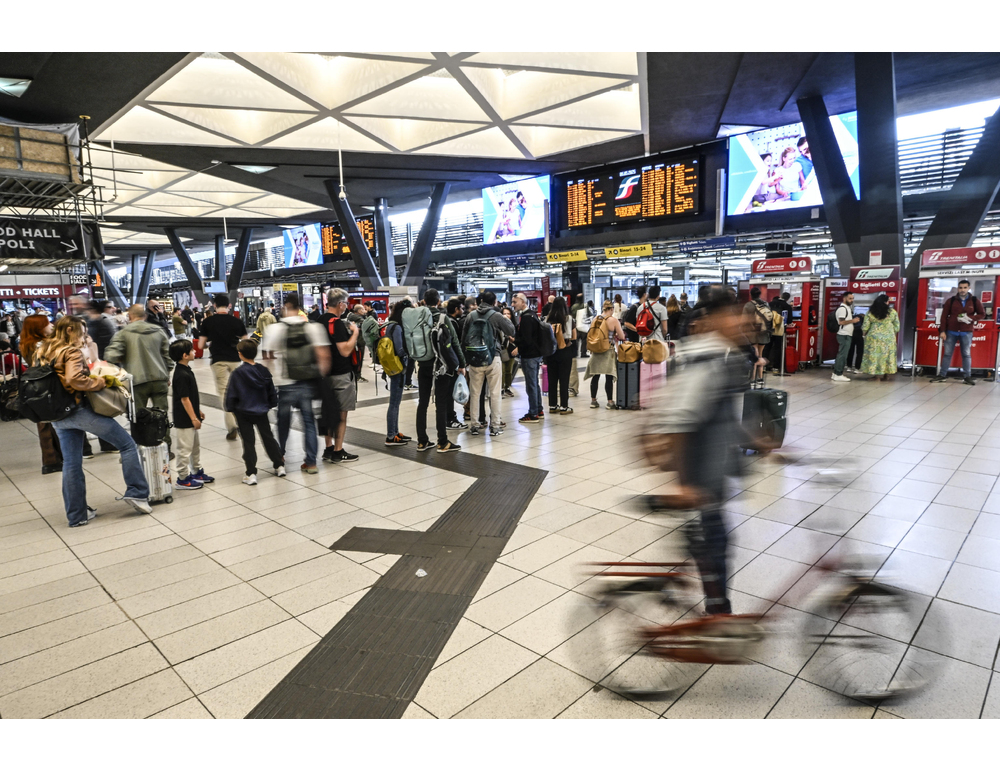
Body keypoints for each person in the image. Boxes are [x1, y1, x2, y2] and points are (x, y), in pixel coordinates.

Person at [644, 286, 774, 615]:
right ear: (713, 319)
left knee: (713, 541)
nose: (740, 323)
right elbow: (679, 420)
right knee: (714, 542)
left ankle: (714, 607)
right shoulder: (709, 358)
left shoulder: (720, 356)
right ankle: (717, 614)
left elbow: (721, 416)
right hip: (699, 478)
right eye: (732, 316)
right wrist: (684, 484)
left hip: (709, 476)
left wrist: (757, 442)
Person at [39, 316, 152, 526]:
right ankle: (137, 493)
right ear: (71, 330)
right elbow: (74, 379)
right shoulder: (70, 351)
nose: (84, 336)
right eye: (82, 331)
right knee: (127, 444)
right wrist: (99, 382)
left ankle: (77, 515)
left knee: (71, 463)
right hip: (77, 410)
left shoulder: (44, 350)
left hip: (57, 415)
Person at [260, 292, 330, 475]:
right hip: (307, 381)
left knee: (283, 422)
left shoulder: (275, 329)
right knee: (308, 421)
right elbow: (324, 356)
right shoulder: (313, 328)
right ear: (299, 308)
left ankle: (280, 458)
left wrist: (272, 376)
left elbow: (267, 356)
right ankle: (311, 462)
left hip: (285, 383)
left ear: (285, 307)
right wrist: (320, 377)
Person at [104, 304, 175, 454]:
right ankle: (165, 446)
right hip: (159, 379)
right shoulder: (159, 331)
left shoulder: (123, 334)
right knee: (162, 414)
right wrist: (167, 373)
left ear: (129, 317)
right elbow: (168, 357)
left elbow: (110, 356)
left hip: (136, 382)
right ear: (145, 316)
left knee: (138, 416)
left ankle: (142, 447)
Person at [225, 340, 285, 486]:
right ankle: (279, 465)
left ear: (240, 354)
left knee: (248, 442)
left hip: (243, 412)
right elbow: (271, 391)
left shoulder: (237, 373)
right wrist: (270, 404)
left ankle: (251, 473)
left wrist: (230, 408)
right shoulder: (263, 371)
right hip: (261, 411)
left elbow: (231, 394)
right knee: (268, 437)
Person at [415, 289, 465, 453]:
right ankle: (442, 442)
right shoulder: (442, 317)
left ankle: (422, 441)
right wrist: (461, 364)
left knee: (422, 403)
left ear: (423, 300)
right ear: (438, 301)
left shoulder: (417, 316)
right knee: (441, 404)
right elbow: (454, 341)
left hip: (423, 364)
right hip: (440, 365)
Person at [463, 291, 515, 436]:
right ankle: (495, 426)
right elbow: (511, 331)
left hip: (474, 359)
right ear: (494, 302)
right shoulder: (496, 316)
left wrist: (466, 359)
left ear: (479, 302)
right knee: (495, 393)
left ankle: (474, 425)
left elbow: (464, 338)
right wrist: (506, 319)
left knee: (475, 393)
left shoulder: (470, 316)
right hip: (493, 357)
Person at [318, 288, 359, 463]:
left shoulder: (318, 321)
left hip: (323, 375)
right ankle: (338, 450)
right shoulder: (338, 323)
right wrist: (355, 334)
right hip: (341, 374)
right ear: (341, 304)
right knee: (341, 414)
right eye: (346, 303)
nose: (346, 307)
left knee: (327, 412)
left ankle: (328, 448)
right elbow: (345, 351)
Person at [199, 293, 248, 440]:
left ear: (214, 306)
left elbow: (201, 345)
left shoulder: (208, 322)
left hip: (218, 360)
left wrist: (210, 344)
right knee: (239, 391)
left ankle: (232, 425)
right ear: (228, 306)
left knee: (224, 393)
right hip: (235, 360)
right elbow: (246, 342)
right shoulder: (236, 321)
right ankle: (242, 420)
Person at [169, 339, 213, 489]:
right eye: (192, 351)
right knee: (185, 449)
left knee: (195, 447)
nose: (195, 352)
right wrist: (193, 417)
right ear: (184, 355)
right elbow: (184, 399)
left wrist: (198, 411)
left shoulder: (186, 370)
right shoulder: (181, 374)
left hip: (190, 414)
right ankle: (182, 478)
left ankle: (197, 471)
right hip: (184, 418)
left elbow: (191, 397)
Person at [931, 279, 985, 385]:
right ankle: (942, 375)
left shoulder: (974, 300)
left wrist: (970, 318)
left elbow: (982, 314)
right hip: (951, 331)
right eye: (960, 288)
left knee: (966, 354)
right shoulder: (951, 300)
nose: (962, 290)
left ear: (969, 288)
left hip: (966, 332)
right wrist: (942, 331)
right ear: (958, 288)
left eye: (965, 288)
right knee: (947, 354)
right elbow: (944, 317)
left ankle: (967, 376)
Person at [382, 299, 412, 448]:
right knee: (394, 403)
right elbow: (399, 350)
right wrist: (409, 353)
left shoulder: (390, 325)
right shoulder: (398, 328)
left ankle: (395, 432)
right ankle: (390, 436)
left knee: (396, 402)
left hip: (392, 367)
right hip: (398, 368)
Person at [586, 300, 625, 409]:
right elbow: (621, 336)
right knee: (609, 376)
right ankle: (610, 401)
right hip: (608, 351)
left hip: (596, 351)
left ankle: (593, 401)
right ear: (611, 309)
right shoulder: (613, 320)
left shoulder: (595, 319)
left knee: (595, 376)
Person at [512, 292, 543, 423]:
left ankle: (533, 413)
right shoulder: (532, 314)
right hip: (535, 354)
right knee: (534, 383)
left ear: (523, 302)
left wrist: (516, 342)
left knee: (531, 384)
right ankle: (538, 409)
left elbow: (527, 339)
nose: (513, 305)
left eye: (515, 302)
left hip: (529, 355)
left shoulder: (526, 318)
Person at [544, 296, 576, 415]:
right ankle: (564, 406)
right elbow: (574, 336)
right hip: (565, 351)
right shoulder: (569, 319)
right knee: (564, 379)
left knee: (552, 379)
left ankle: (553, 405)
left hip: (551, 352)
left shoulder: (548, 318)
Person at [859, 294, 899, 382]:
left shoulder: (871, 312)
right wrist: (892, 332)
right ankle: (886, 375)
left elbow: (865, 326)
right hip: (888, 337)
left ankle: (876, 376)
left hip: (874, 337)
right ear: (885, 302)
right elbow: (897, 326)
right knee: (887, 355)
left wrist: (864, 334)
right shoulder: (892, 312)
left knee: (875, 356)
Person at [742, 286, 772, 383]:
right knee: (760, 355)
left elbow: (744, 320)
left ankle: (752, 377)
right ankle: (760, 377)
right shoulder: (766, 304)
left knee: (755, 355)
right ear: (759, 294)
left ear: (750, 295)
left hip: (753, 333)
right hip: (764, 333)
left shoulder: (748, 305)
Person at [832, 291, 860, 382]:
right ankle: (838, 373)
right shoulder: (842, 309)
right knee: (842, 355)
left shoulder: (847, 308)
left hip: (846, 334)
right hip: (843, 334)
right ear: (844, 298)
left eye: (852, 298)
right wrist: (853, 321)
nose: (851, 300)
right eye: (850, 298)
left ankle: (836, 373)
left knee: (842, 354)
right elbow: (841, 322)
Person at [765, 291, 793, 374]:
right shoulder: (787, 306)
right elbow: (789, 320)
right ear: (787, 299)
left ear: (781, 296)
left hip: (769, 329)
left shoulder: (770, 304)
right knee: (778, 348)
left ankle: (764, 366)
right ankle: (776, 368)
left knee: (767, 347)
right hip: (779, 329)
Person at [500, 307, 517, 396]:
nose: (506, 315)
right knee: (501, 371)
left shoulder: (514, 325)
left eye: (508, 314)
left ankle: (507, 387)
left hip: (511, 350)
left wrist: (514, 340)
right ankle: (501, 388)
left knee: (509, 371)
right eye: (504, 313)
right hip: (502, 350)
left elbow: (518, 338)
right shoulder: (499, 324)